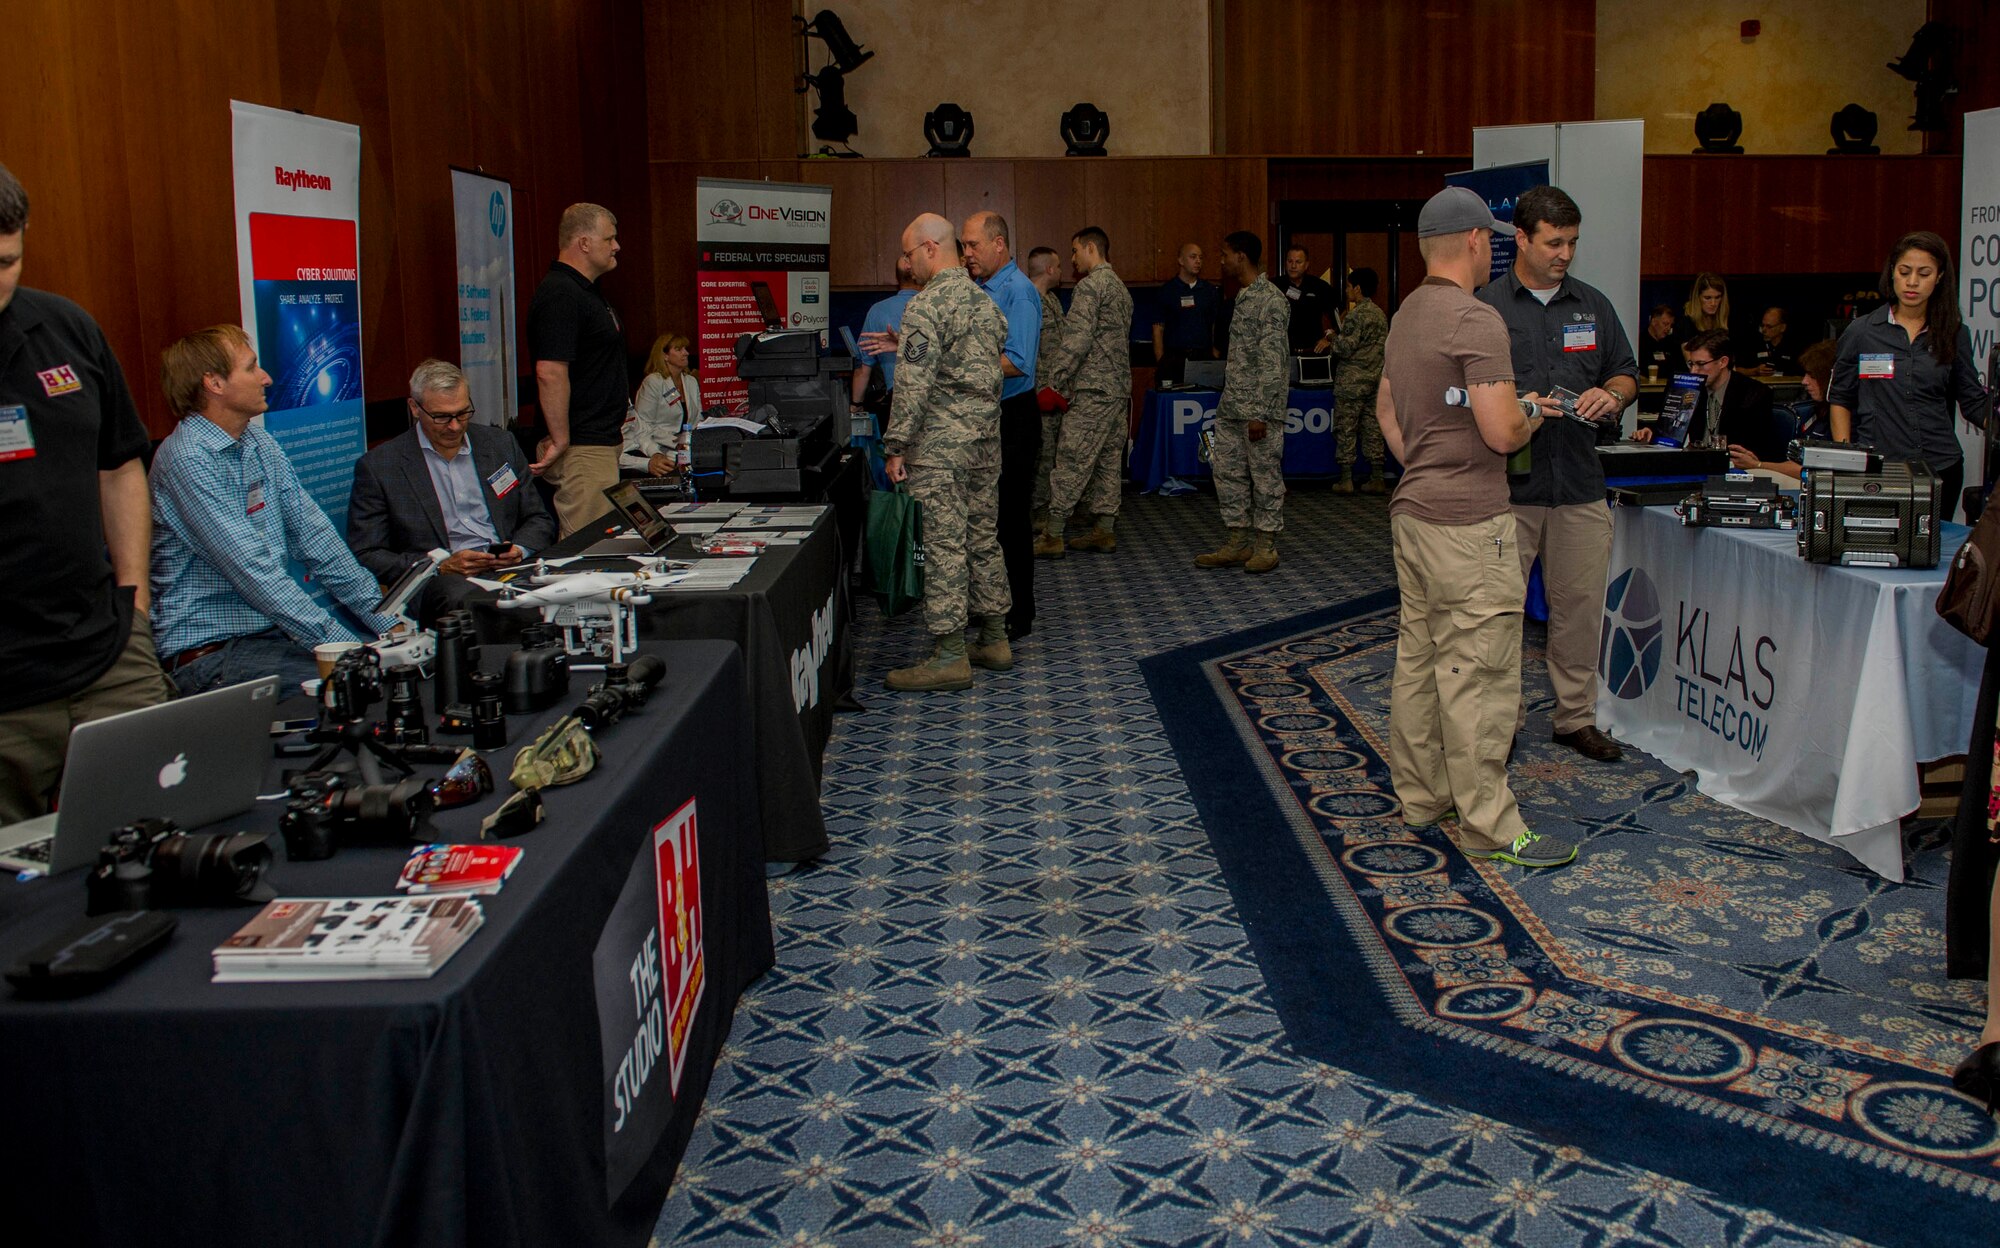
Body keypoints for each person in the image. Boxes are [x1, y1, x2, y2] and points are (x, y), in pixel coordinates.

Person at [1375, 185, 1574, 870]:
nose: (1493, 248)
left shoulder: (1405, 315)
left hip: (1414, 515)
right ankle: (1490, 826)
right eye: (1489, 237)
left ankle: (1423, 796)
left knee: (1421, 661)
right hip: (1470, 526)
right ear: (1471, 240)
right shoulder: (1476, 319)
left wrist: (1428, 464)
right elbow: (1501, 433)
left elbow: (1388, 412)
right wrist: (1532, 413)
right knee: (1480, 674)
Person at [0, 162, 174, 824]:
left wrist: (136, 602)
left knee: (159, 831)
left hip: (107, 654)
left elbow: (119, 465)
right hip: (7, 699)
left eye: (7, 262)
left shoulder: (66, 328)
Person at [1476, 184, 1638, 764]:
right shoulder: (1486, 307)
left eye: (1572, 242)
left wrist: (1613, 396)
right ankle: (1503, 723)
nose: (1565, 254)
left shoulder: (1593, 305)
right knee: (1499, 615)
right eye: (1553, 243)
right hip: (1507, 490)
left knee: (1580, 610)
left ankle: (1575, 719)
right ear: (1521, 238)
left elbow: (1625, 372)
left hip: (1578, 485)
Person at [150, 325, 401, 694]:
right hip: (211, 655)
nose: (266, 377)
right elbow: (254, 573)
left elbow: (318, 542)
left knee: (392, 670)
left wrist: (390, 623)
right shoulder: (188, 460)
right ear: (214, 383)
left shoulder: (258, 442)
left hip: (268, 637)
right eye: (251, 367)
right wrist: (347, 651)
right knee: (363, 687)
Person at [867, 214, 1010, 692]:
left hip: (940, 451)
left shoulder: (926, 306)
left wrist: (895, 447)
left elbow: (913, 385)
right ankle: (994, 638)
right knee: (983, 538)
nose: (907, 265)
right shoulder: (985, 302)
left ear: (930, 248)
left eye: (909, 255)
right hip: (984, 444)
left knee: (944, 546)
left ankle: (950, 656)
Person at [346, 359, 555, 621]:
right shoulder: (381, 467)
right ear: (415, 408)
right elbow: (366, 553)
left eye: (463, 413)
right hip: (442, 583)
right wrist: (440, 566)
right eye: (442, 417)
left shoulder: (499, 444)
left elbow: (538, 518)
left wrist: (519, 549)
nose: (455, 426)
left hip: (509, 569)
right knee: (475, 604)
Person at [1829, 230, 1991, 522]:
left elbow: (1972, 401)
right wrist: (1847, 459)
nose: (1912, 282)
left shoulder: (1954, 333)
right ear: (1892, 272)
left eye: (1924, 273)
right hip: (1878, 467)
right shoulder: (1862, 332)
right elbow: (1840, 398)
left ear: (1939, 277)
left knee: (1932, 546)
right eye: (1905, 272)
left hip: (1939, 467)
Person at [961, 211, 1043, 640]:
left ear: (999, 244)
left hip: (1014, 417)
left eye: (973, 245)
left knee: (1010, 518)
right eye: (963, 245)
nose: (966, 253)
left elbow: (1017, 361)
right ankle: (993, 604)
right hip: (986, 416)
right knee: (985, 520)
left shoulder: (1019, 292)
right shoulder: (978, 290)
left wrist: (959, 368)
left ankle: (1019, 613)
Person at [528, 202, 626, 538]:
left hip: (598, 444)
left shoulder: (586, 292)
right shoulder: (561, 294)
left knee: (602, 544)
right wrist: (561, 438)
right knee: (589, 550)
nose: (616, 246)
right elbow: (550, 371)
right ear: (584, 243)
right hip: (582, 447)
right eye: (609, 239)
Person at [1035, 226, 1132, 559]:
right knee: (1108, 462)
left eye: (1075, 251)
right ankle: (1104, 529)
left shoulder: (1090, 287)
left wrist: (1055, 382)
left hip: (1092, 390)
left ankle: (1052, 534)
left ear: (1091, 248)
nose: (1073, 259)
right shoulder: (1120, 288)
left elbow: (1076, 340)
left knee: (1071, 460)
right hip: (1117, 390)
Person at [1195, 231, 1289, 574]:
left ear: (1242, 256)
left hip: (1258, 411)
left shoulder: (1271, 300)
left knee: (1264, 478)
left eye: (1225, 254)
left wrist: (1260, 413)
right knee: (1227, 474)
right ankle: (1237, 541)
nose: (1221, 261)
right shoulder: (1243, 296)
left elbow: (1273, 362)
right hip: (1232, 406)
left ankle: (1266, 546)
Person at [1328, 266, 1388, 495]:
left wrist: (1332, 337)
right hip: (1375, 380)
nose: (1346, 290)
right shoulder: (1380, 314)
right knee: (1372, 428)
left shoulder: (1356, 316)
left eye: (1349, 286)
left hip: (1352, 383)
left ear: (1358, 289)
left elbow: (1345, 348)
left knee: (1346, 428)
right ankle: (1377, 477)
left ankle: (1346, 479)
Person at [1749, 338, 1837, 483]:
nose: (1804, 381)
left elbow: (1809, 471)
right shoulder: (1816, 413)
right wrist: (1755, 463)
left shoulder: (1842, 421)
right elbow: (1795, 463)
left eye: (1812, 376)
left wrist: (1757, 465)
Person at [1025, 246, 1066, 537]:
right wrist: (1041, 389)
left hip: (1057, 390)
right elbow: (1029, 349)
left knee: (1054, 454)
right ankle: (1038, 510)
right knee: (1042, 454)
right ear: (1049, 269)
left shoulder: (1052, 300)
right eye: (1059, 266)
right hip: (1039, 392)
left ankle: (1050, 507)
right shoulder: (1029, 300)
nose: (1062, 271)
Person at [623, 332, 700, 475]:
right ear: (665, 356)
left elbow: (696, 419)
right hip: (657, 448)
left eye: (685, 349)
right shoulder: (653, 382)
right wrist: (676, 442)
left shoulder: (691, 382)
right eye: (679, 349)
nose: (686, 353)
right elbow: (644, 425)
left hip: (686, 448)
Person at [852, 256, 918, 405]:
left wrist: (856, 405)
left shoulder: (877, 311)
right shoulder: (936, 306)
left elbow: (863, 369)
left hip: (897, 400)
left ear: (896, 278)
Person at [1151, 242, 1218, 384]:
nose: (1198, 261)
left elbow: (1214, 324)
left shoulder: (1209, 291)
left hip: (1202, 358)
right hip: (1174, 358)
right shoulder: (1167, 291)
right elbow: (1158, 329)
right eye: (1193, 257)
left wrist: (1215, 355)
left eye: (1200, 257)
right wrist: (1161, 361)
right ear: (1181, 260)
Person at [1277, 245, 1337, 357]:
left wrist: (1328, 339)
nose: (1293, 266)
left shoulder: (1319, 286)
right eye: (1290, 261)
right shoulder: (1275, 286)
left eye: (1298, 262)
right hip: (1282, 354)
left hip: (1312, 353)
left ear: (1306, 265)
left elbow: (1340, 315)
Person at [1743, 306, 1800, 376]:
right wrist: (1755, 371)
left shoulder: (1794, 347)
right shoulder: (1753, 344)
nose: (1764, 330)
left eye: (1769, 326)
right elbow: (1736, 370)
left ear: (1782, 328)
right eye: (1762, 325)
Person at [1680, 272, 1731, 348]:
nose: (1713, 303)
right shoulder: (1686, 323)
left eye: (1717, 297)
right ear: (1697, 298)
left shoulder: (1727, 320)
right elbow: (1689, 355)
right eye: (1707, 298)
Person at [1638, 303, 1681, 381]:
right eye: (1665, 324)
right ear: (1654, 322)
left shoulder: (1672, 343)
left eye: (1671, 325)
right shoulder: (1640, 343)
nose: (1668, 328)